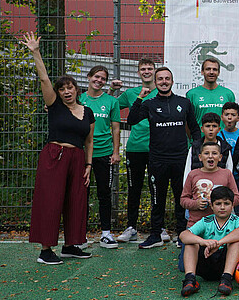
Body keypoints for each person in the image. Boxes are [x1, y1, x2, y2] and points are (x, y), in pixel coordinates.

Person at [22, 32, 95, 265]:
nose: (66, 91)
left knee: (76, 200)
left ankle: (71, 246)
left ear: (77, 90)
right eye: (62, 88)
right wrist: (35, 51)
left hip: (77, 158)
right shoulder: (54, 106)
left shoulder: (87, 112)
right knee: (51, 200)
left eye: (70, 87)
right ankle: (45, 251)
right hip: (55, 156)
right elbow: (44, 79)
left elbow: (89, 141)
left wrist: (88, 165)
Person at [127, 66, 201, 249]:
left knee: (181, 198)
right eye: (160, 79)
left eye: (167, 78)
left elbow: (195, 129)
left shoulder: (183, 103)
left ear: (172, 81)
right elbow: (131, 120)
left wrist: (196, 150)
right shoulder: (149, 104)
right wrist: (139, 98)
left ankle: (182, 234)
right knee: (157, 199)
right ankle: (155, 235)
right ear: (155, 82)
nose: (164, 82)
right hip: (157, 160)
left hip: (180, 160)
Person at [116, 56, 158, 244]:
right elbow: (111, 107)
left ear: (155, 71)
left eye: (150, 68)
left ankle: (159, 227)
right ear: (138, 72)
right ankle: (131, 227)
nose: (147, 71)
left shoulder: (162, 91)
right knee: (134, 189)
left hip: (158, 148)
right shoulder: (131, 93)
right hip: (135, 148)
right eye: (143, 69)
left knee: (157, 188)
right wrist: (111, 90)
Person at [80, 64, 121, 249]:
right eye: (96, 77)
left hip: (104, 153)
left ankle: (106, 233)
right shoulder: (79, 99)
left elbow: (115, 128)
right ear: (89, 77)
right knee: (82, 194)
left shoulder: (111, 101)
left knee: (104, 194)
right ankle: (80, 235)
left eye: (103, 79)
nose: (99, 81)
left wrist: (115, 152)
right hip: (82, 154)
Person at [178, 186, 239, 297]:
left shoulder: (238, 219)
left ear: (232, 204)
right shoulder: (206, 221)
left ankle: (226, 279)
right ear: (212, 206)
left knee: (235, 241)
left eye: (226, 203)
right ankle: (190, 280)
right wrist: (204, 242)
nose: (222, 207)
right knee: (191, 241)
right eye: (218, 204)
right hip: (207, 261)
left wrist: (219, 243)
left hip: (227, 263)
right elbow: (183, 235)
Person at [179, 141, 239, 231]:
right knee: (188, 242)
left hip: (222, 225)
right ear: (200, 157)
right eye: (206, 153)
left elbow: (237, 198)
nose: (210, 156)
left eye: (214, 153)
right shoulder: (193, 174)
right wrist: (196, 204)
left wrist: (221, 203)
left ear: (220, 157)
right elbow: (183, 200)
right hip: (196, 223)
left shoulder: (227, 174)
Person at [183, 112, 233, 181]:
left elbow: (229, 171)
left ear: (219, 129)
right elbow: (187, 171)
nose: (211, 129)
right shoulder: (194, 147)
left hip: (219, 188)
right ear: (202, 129)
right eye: (208, 126)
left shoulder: (225, 148)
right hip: (198, 187)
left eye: (214, 126)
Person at [187, 58, 236, 127]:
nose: (211, 72)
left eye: (215, 69)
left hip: (222, 137)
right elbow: (188, 122)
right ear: (202, 71)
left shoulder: (228, 94)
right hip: (200, 137)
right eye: (208, 69)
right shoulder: (192, 94)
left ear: (219, 73)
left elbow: (233, 120)